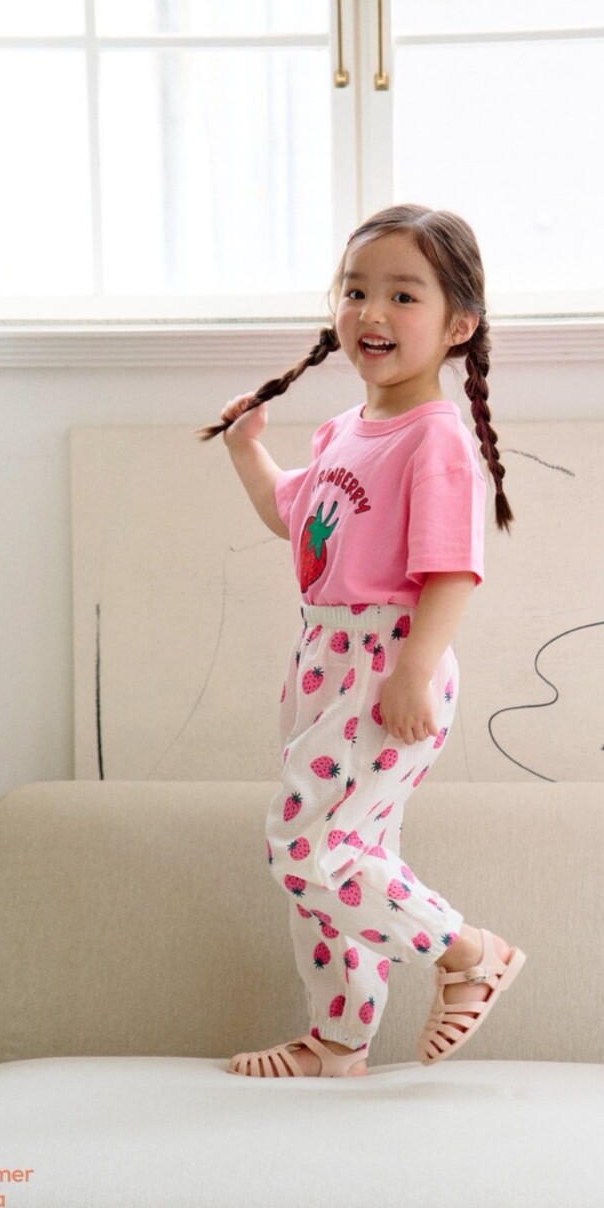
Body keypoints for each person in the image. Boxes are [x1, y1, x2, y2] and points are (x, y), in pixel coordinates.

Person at [203, 204, 524, 1079]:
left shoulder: (436, 440)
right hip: (324, 657)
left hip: (387, 661)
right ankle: (339, 1040)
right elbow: (296, 519)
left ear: (459, 325)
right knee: (351, 851)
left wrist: (413, 672)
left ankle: (468, 953)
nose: (372, 312)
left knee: (306, 848)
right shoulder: (345, 430)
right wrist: (246, 451)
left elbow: (452, 570)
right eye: (355, 291)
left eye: (403, 295)